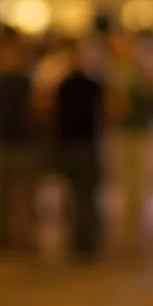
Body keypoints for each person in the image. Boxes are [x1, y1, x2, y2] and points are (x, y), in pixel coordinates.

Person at [104, 32, 153, 255]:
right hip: (121, 134)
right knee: (123, 184)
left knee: (139, 183)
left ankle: (136, 229)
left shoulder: (142, 71)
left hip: (139, 132)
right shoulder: (110, 72)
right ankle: (125, 230)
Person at [50, 40, 105, 260]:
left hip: (83, 144)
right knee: (79, 194)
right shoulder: (66, 85)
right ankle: (83, 239)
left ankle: (87, 239)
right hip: (75, 145)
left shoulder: (85, 85)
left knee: (84, 194)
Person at [0, 30, 39, 253]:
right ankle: (5, 235)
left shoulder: (24, 80)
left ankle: (24, 235)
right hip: (3, 141)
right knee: (2, 194)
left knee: (23, 192)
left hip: (22, 141)